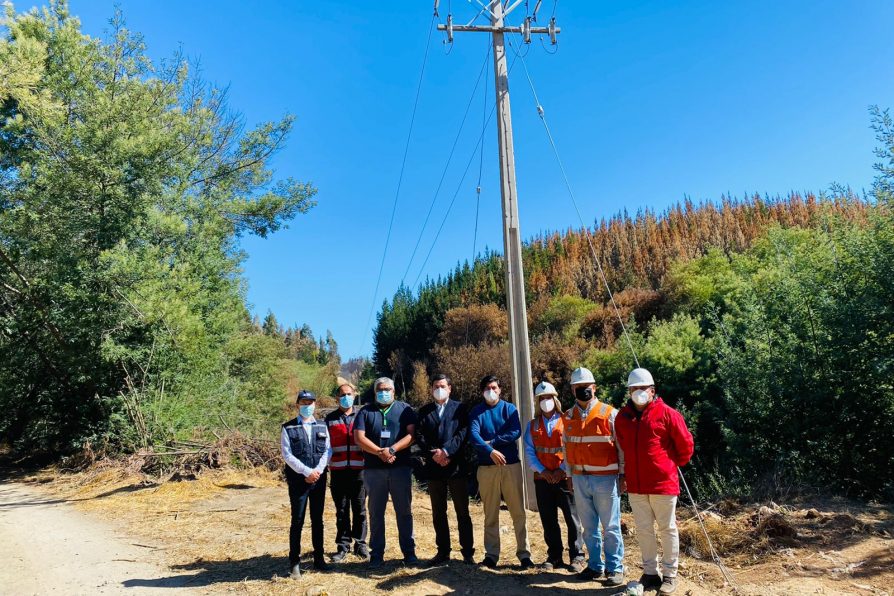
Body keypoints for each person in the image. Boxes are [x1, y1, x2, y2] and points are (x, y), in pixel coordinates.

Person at [615, 368, 694, 595]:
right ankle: (650, 572)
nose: (638, 392)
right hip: (637, 486)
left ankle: (670, 574)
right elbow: (623, 444)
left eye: (643, 388)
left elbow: (686, 445)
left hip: (662, 484)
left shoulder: (668, 414)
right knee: (643, 530)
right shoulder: (622, 418)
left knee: (667, 529)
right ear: (629, 391)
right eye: (634, 389)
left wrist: (668, 466)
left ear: (652, 391)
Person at [565, 366, 625, 586]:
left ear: (594, 387)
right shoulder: (568, 416)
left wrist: (623, 475)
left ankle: (615, 568)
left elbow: (621, 447)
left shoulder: (609, 413)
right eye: (578, 387)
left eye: (586, 387)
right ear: (573, 389)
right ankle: (595, 566)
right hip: (580, 479)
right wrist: (569, 476)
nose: (583, 390)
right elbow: (566, 448)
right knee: (589, 528)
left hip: (606, 479)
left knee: (610, 526)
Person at [469, 375, 533, 569]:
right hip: (486, 468)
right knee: (490, 513)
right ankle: (491, 555)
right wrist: (490, 451)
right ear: (482, 391)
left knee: (518, 512)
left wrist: (493, 443)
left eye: (494, 387)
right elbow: (473, 435)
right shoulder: (476, 412)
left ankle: (524, 554)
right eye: (487, 388)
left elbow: (515, 432)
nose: (491, 391)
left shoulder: (509, 409)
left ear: (500, 389)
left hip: (510, 466)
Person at [354, 376, 418, 568]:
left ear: (394, 391)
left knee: (404, 512)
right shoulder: (365, 412)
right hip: (374, 471)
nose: (384, 392)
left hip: (400, 469)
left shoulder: (404, 409)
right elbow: (359, 437)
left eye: (387, 389)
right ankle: (377, 554)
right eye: (380, 390)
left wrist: (392, 450)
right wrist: (379, 452)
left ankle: (409, 553)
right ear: (375, 392)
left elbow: (412, 435)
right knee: (375, 512)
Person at [523, 381, 585, 572]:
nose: (545, 402)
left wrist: (562, 471)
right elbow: (529, 451)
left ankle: (577, 556)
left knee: (572, 518)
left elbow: (573, 448)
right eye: (542, 399)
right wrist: (543, 471)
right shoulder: (532, 425)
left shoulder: (566, 421)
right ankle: (554, 556)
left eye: (548, 398)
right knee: (548, 519)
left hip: (564, 477)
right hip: (543, 480)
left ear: (555, 399)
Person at [415, 374, 475, 566]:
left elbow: (463, 433)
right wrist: (435, 453)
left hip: (455, 466)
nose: (438, 389)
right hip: (434, 468)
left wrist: (447, 451)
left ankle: (467, 552)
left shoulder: (460, 409)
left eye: (442, 386)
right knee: (438, 512)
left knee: (462, 511)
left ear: (450, 388)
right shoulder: (424, 411)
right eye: (435, 386)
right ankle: (443, 551)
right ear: (431, 389)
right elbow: (420, 436)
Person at [281, 390, 331, 578]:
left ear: (315, 405)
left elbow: (327, 451)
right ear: (297, 405)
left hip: (318, 480)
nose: (307, 406)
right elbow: (287, 455)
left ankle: (319, 559)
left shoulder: (322, 426)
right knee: (298, 521)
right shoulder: (288, 428)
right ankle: (294, 562)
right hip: (298, 481)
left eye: (310, 402)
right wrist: (307, 472)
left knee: (317, 520)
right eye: (303, 402)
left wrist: (317, 471)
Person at [324, 379, 369, 562]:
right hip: (338, 471)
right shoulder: (330, 419)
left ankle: (361, 545)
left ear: (354, 395)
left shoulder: (362, 417)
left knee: (359, 509)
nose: (346, 397)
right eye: (342, 395)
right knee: (341, 510)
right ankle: (343, 546)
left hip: (360, 471)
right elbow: (325, 446)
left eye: (349, 394)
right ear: (337, 398)